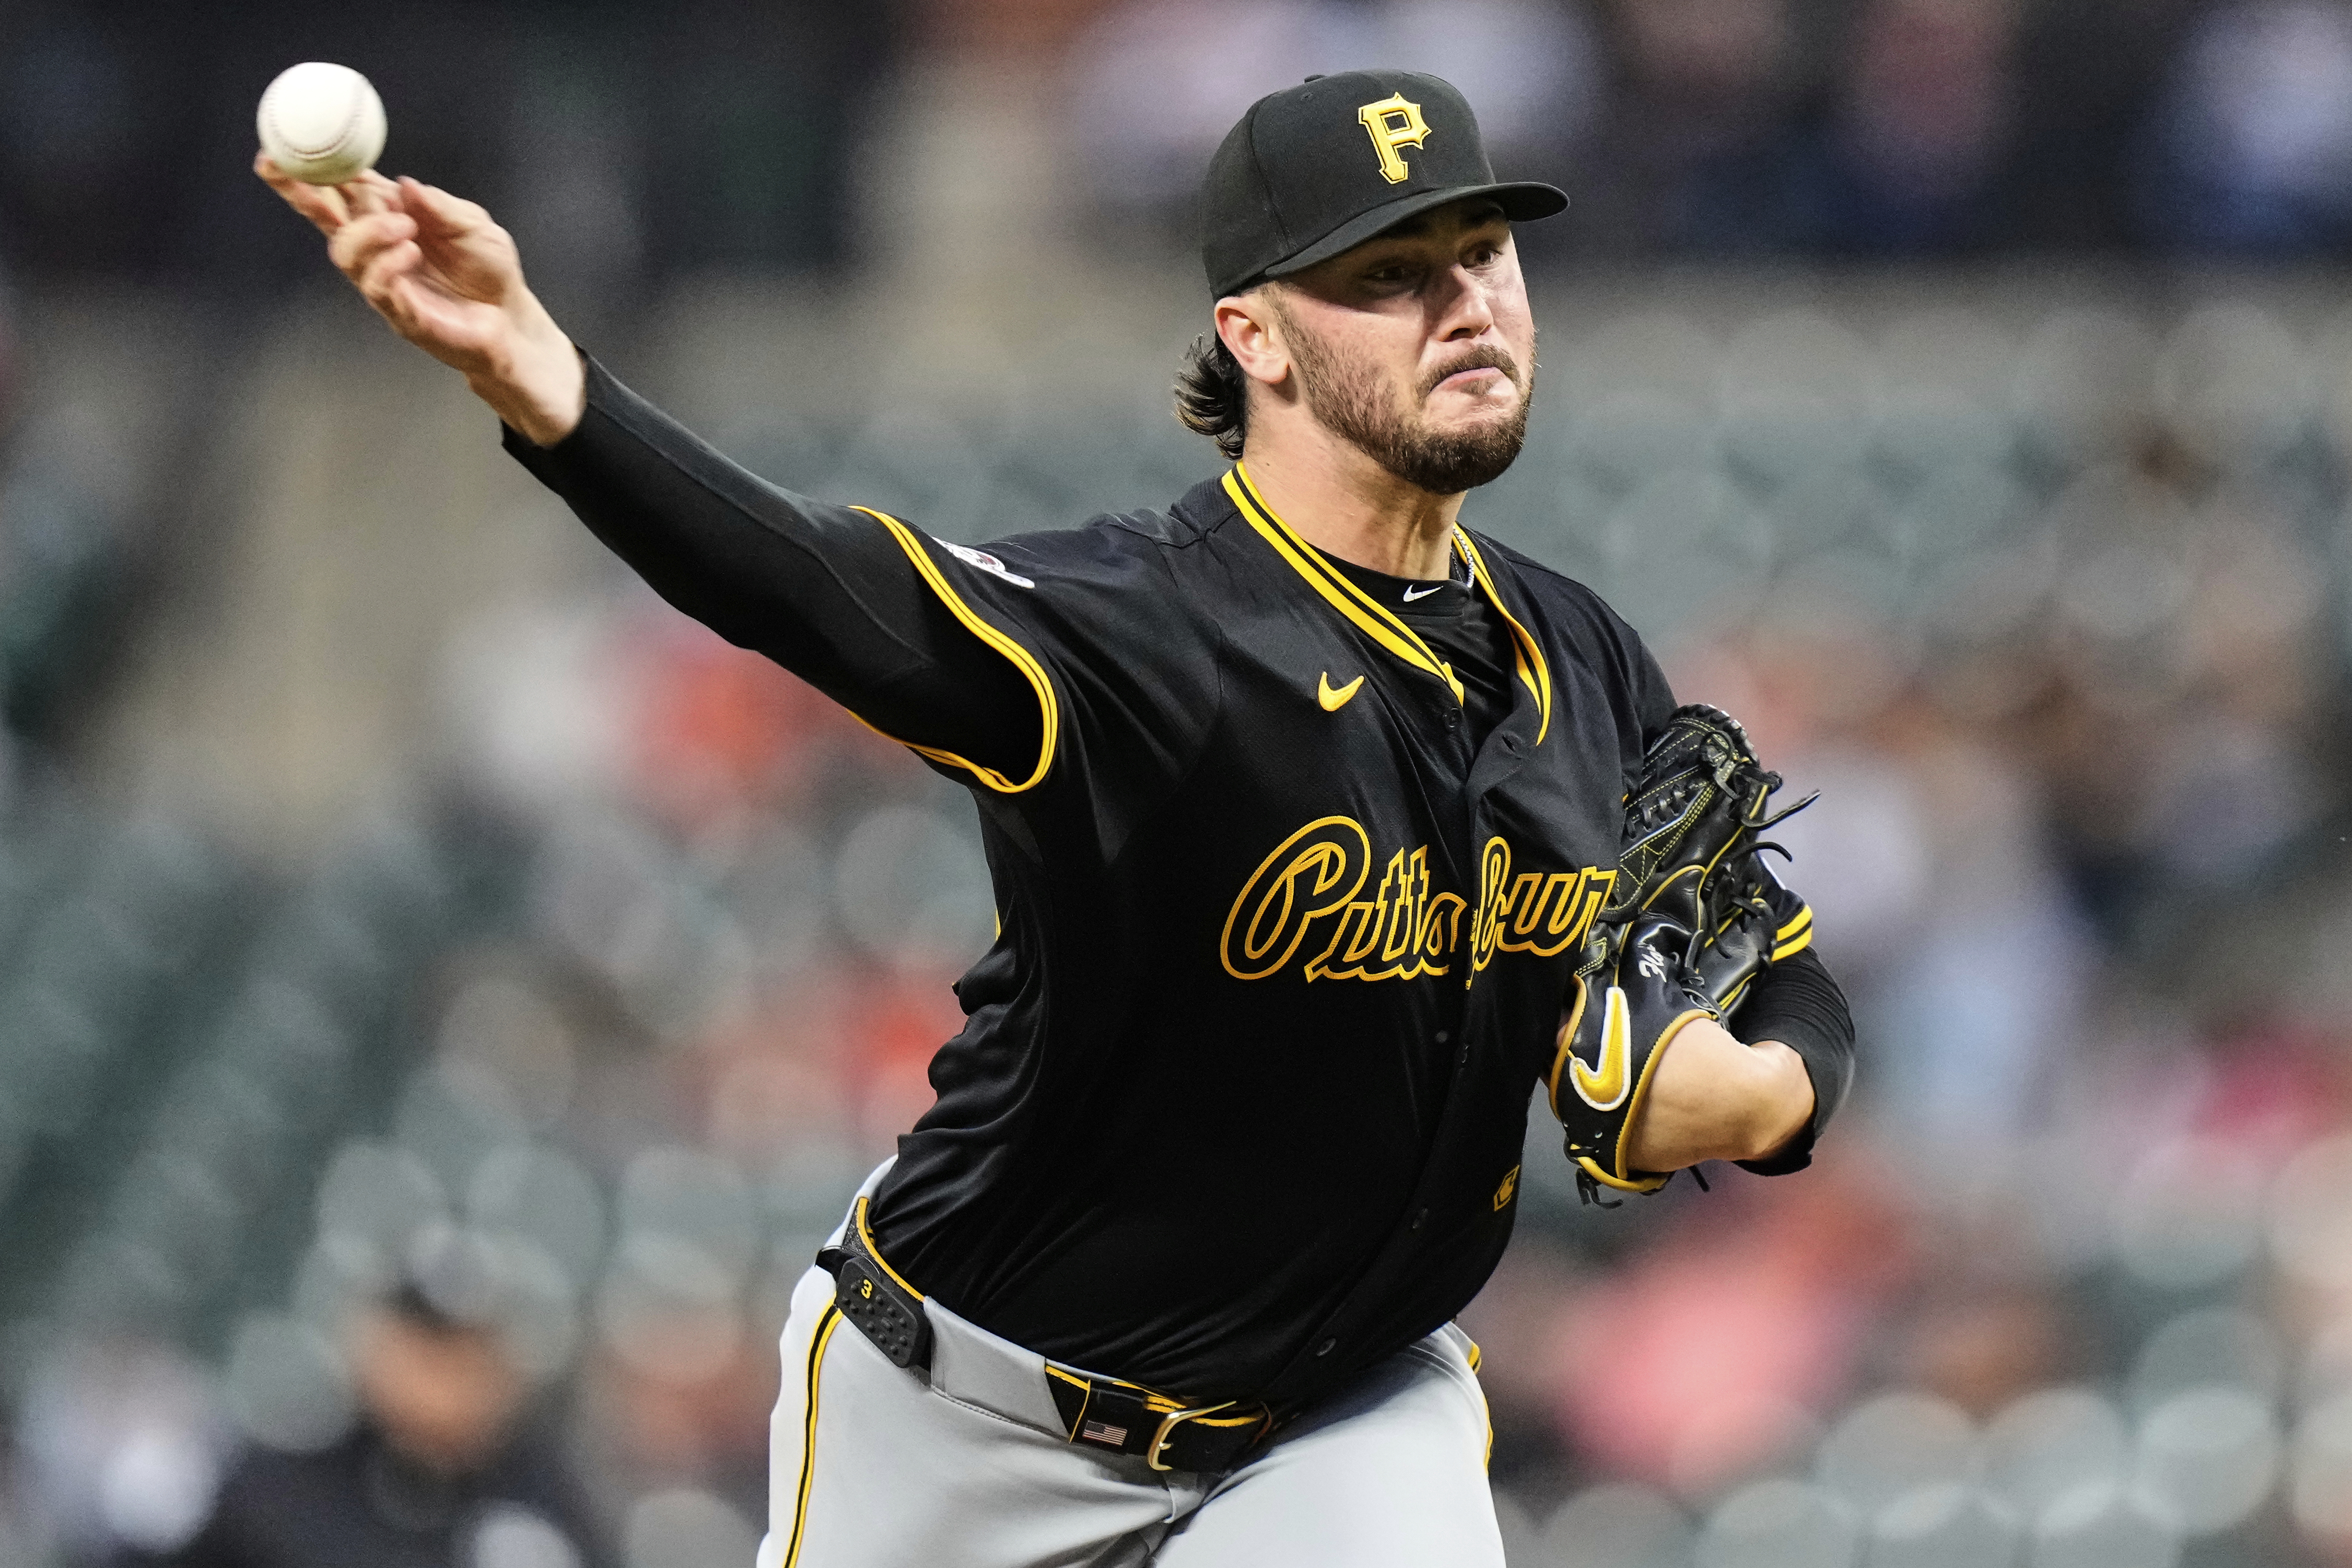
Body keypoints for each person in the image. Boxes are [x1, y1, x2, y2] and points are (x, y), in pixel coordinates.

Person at [259, 67, 1853, 1568]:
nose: (1466, 302)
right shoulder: (1133, 632)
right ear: (1257, 337)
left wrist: (1760, 1090)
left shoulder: (1581, 659)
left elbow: (1773, 962)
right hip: (965, 1411)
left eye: (1485, 252)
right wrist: (549, 384)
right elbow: (819, 591)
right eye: (1387, 273)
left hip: (1337, 1418)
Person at [169, 1278, 603, 1568]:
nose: (442, 1384)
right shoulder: (285, 1484)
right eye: (427, 1352)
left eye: (467, 1355)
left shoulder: (545, 1498)